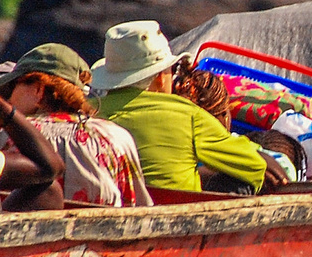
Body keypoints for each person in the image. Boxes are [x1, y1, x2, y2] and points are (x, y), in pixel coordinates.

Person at [92, 21, 285, 195]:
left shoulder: (86, 110)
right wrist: (263, 158)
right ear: (160, 77)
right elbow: (254, 166)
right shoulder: (188, 115)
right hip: (171, 217)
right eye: (172, 70)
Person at [0, 40, 150, 209]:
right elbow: (136, 204)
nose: (9, 99)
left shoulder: (0, 132)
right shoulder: (115, 135)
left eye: (12, 87)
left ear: (38, 89)